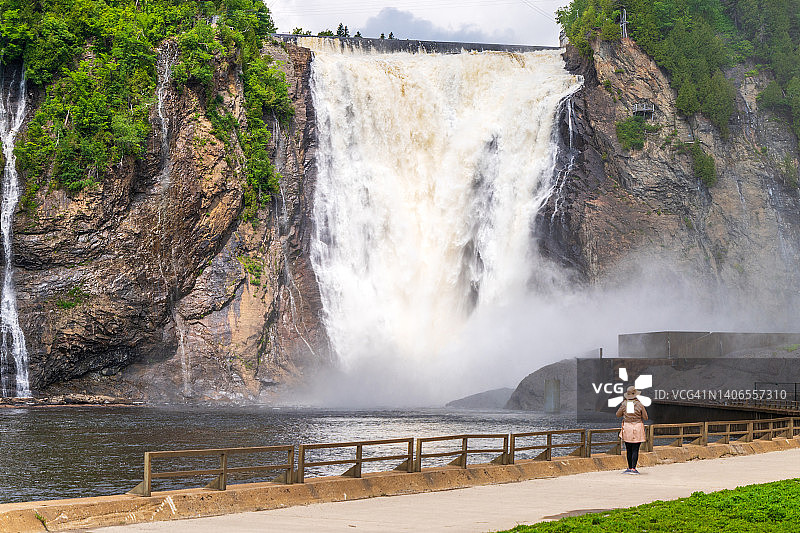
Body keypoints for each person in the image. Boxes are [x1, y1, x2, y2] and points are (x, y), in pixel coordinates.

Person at [616, 385, 648, 474]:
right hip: (637, 427)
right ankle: (634, 468)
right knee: (635, 449)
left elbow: (618, 415)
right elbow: (645, 417)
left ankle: (629, 467)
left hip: (627, 427)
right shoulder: (640, 404)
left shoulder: (624, 404)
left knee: (628, 448)